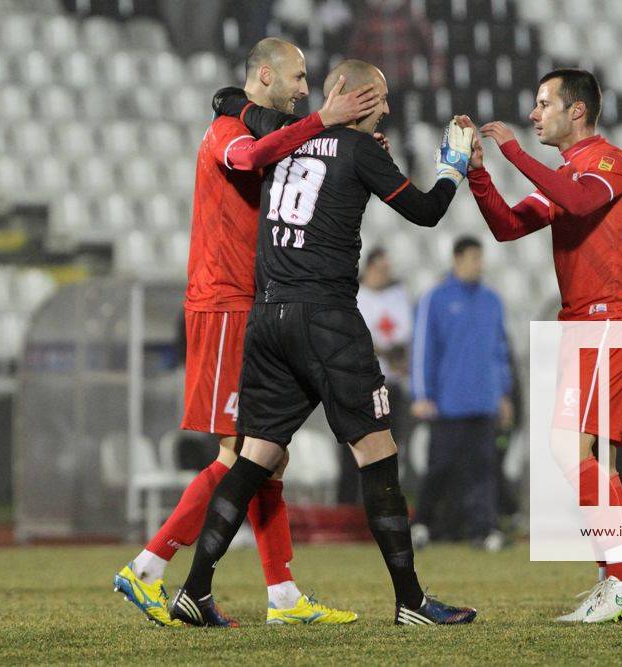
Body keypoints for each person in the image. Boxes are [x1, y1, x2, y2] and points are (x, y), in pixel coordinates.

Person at [168, 59, 478, 627]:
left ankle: (194, 589)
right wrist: (453, 166)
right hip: (326, 320)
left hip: (267, 320)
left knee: (254, 456)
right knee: (378, 454)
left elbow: (229, 102)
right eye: (379, 98)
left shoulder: (282, 138)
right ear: (354, 96)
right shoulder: (362, 152)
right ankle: (411, 602)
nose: (386, 108)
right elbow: (428, 212)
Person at [113, 37, 378, 627]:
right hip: (224, 306)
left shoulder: (262, 128)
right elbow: (250, 161)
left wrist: (347, 145)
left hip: (254, 305)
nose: (306, 88)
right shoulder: (229, 133)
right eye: (299, 78)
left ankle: (283, 597)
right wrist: (322, 120)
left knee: (268, 457)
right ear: (265, 76)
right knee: (238, 455)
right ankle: (148, 567)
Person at [457, 68, 622, 623]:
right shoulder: (567, 175)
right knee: (589, 458)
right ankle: (613, 576)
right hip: (581, 325)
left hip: (608, 321)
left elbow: (580, 202)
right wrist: (479, 175)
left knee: (571, 452)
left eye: (544, 104)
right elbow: (509, 227)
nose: (535, 114)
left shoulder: (609, 163)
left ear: (578, 112)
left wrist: (513, 151)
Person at [410, 237, 512, 551]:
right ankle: (421, 523)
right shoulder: (435, 299)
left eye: (480, 259)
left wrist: (503, 394)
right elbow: (423, 348)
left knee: (483, 470)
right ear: (457, 260)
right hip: (447, 402)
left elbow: (500, 352)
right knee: (439, 467)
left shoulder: (492, 300)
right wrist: (421, 394)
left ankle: (485, 529)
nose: (478, 265)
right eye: (472, 259)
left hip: (483, 401)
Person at [339, 247, 415, 502]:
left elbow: (404, 335)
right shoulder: (355, 296)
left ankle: (382, 502)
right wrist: (385, 351)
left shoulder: (397, 296)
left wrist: (398, 357)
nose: (385, 274)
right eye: (381, 268)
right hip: (361, 383)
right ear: (369, 268)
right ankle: (348, 505)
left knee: (391, 447)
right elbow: (356, 335)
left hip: (391, 383)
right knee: (356, 445)